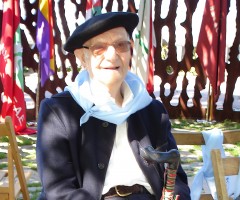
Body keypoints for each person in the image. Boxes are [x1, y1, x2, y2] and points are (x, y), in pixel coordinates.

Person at [36, 11, 191, 200]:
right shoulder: (58, 112)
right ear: (82, 58)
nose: (112, 55)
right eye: (99, 48)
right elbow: (58, 191)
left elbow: (177, 178)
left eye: (121, 45)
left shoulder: (152, 110)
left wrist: (176, 195)